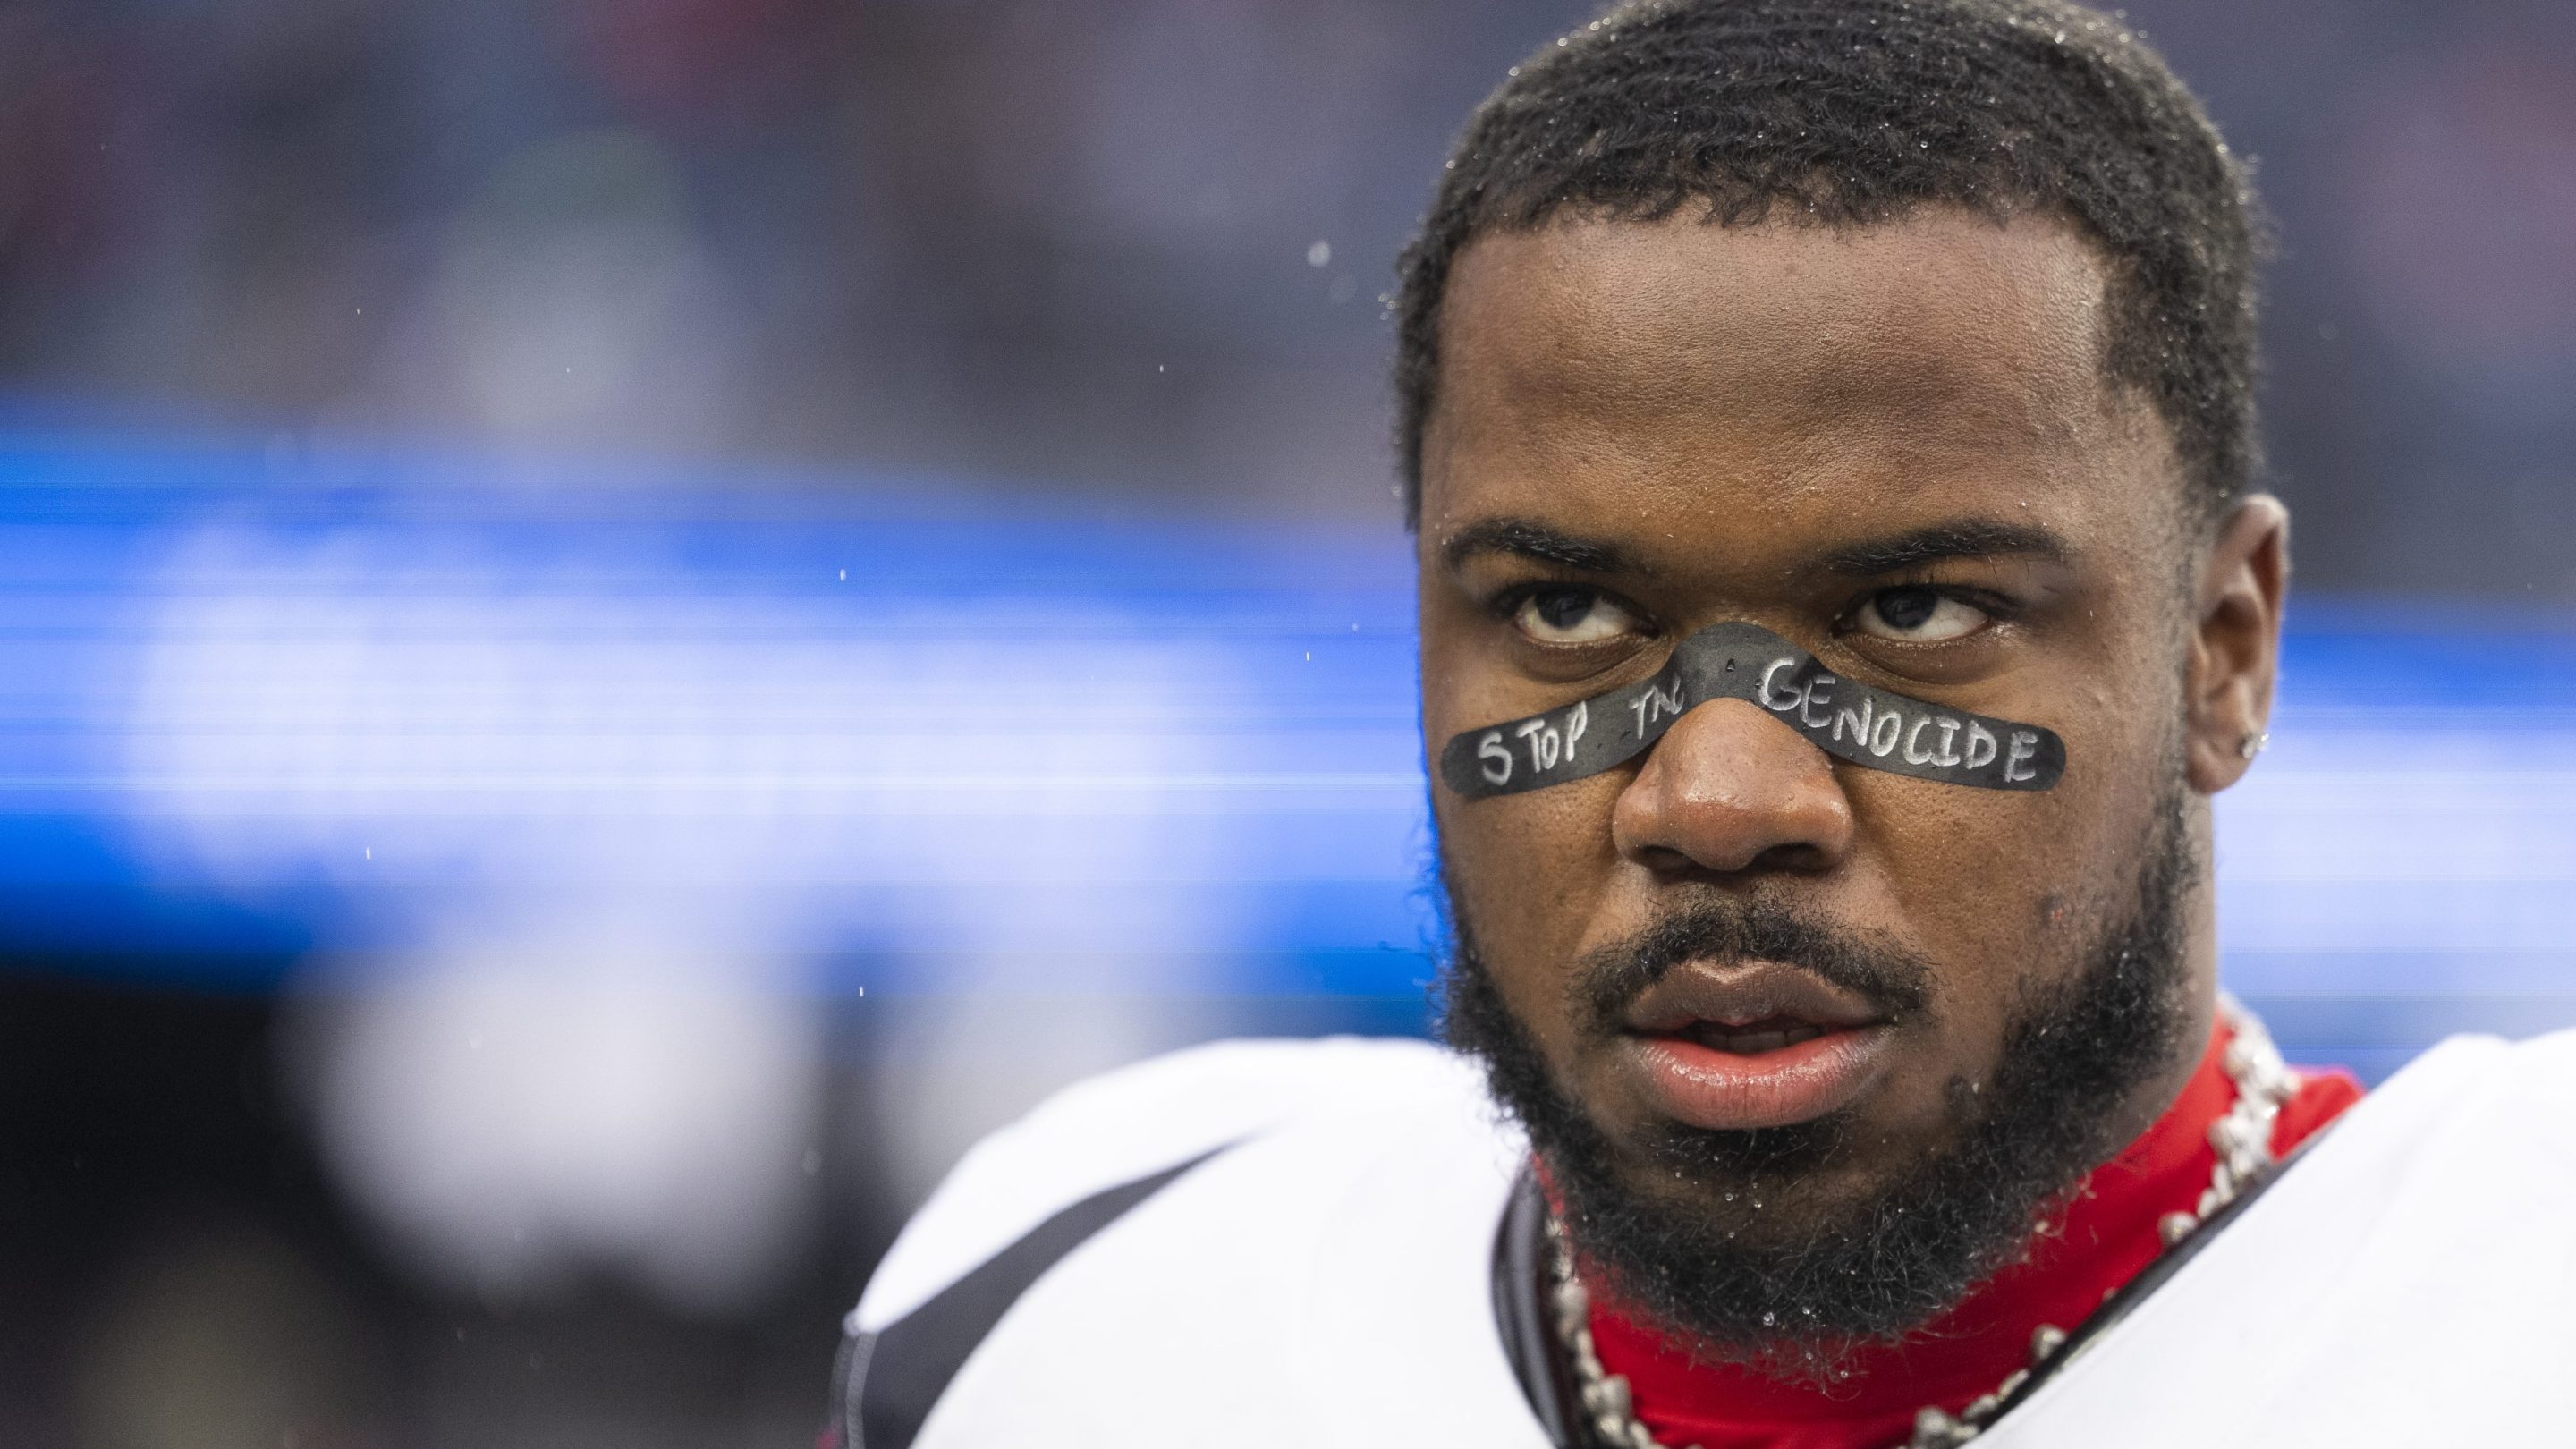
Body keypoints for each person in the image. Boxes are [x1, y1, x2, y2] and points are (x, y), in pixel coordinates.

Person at [827, 2, 2576, 1445]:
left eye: (1911, 613)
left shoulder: (2522, 1300)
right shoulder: (1083, 1292)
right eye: (1569, 614)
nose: (1718, 796)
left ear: (2225, 650)